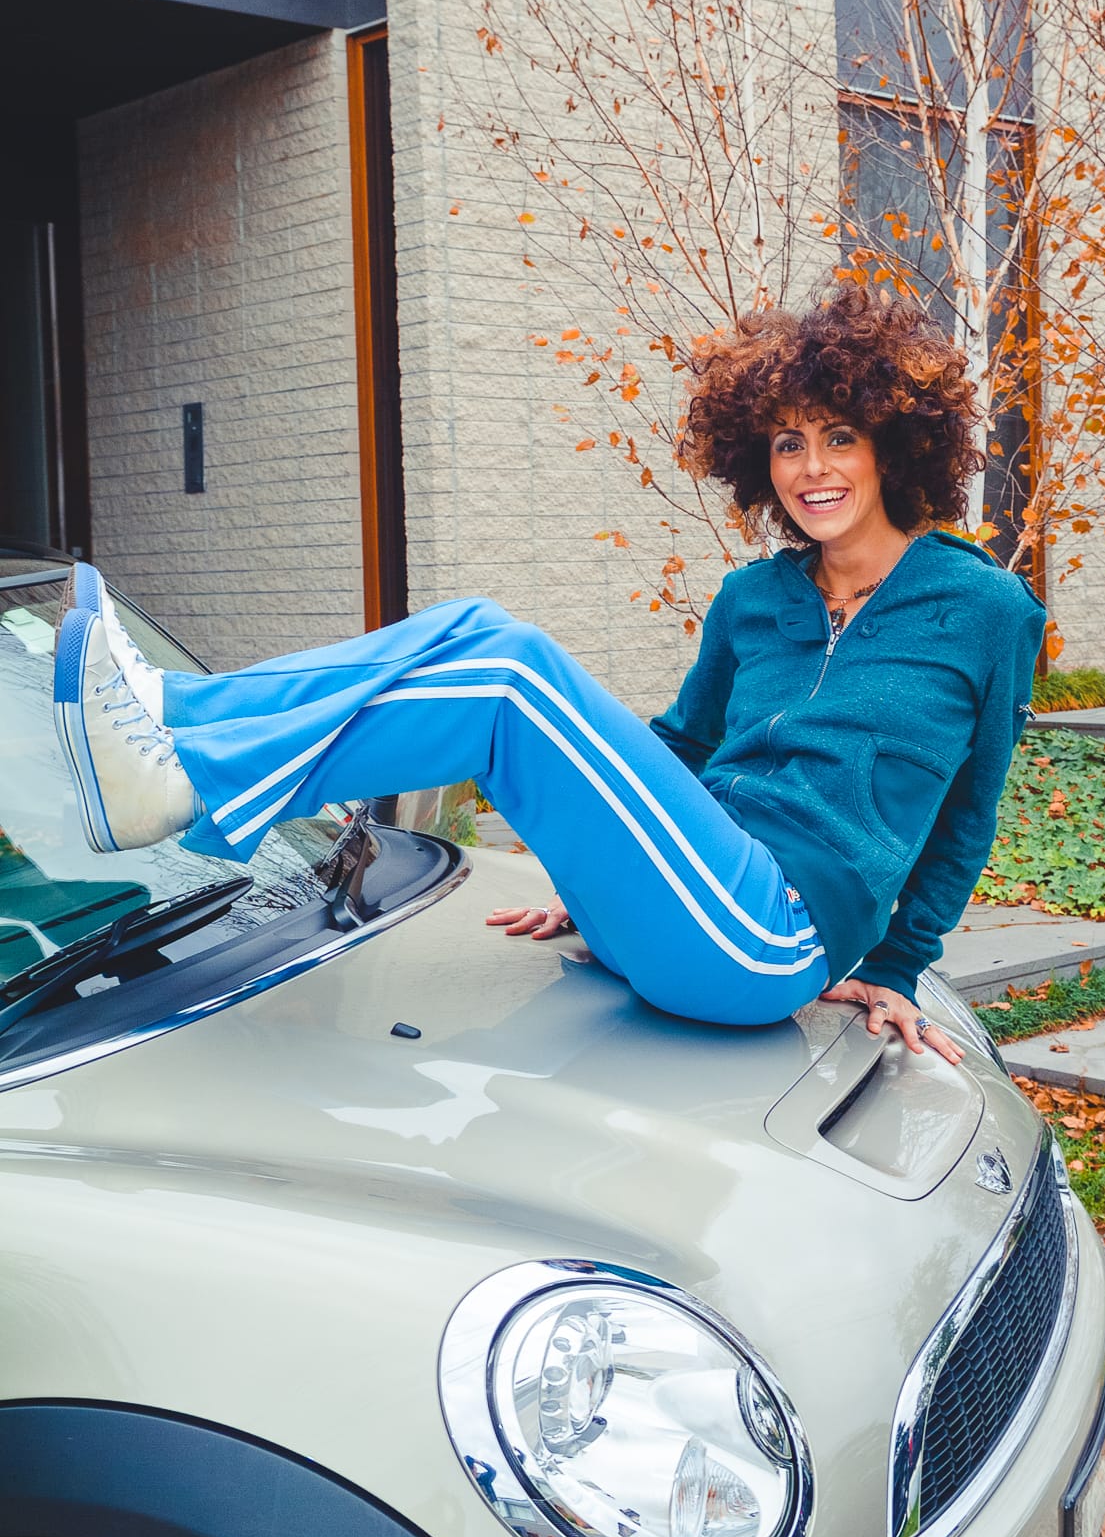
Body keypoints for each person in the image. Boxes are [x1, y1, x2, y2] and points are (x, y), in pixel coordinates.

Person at [51, 284, 1043, 1065]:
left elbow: (967, 815)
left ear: (893, 446)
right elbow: (679, 753)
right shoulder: (756, 598)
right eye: (787, 441)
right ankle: (170, 711)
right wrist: (607, 867)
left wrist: (899, 965)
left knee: (507, 667)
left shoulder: (982, 610)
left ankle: (187, 769)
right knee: (478, 629)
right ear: (758, 456)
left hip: (765, 938)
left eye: (838, 436)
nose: (809, 466)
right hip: (680, 902)